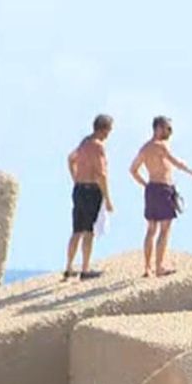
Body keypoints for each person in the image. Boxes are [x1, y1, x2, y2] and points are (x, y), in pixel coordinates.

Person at [129, 115, 192, 277]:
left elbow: (133, 169)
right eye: (167, 128)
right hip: (163, 189)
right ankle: (159, 266)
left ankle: (148, 268)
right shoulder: (161, 146)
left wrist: (145, 184)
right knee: (164, 229)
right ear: (158, 128)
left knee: (151, 229)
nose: (170, 132)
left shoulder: (145, 148)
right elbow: (176, 163)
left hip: (152, 189)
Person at [64, 114, 115, 281]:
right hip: (91, 190)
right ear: (104, 129)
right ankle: (85, 269)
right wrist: (107, 198)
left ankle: (69, 267)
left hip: (79, 188)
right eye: (109, 130)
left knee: (77, 230)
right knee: (89, 231)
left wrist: (76, 177)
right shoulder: (97, 146)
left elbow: (71, 159)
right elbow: (101, 174)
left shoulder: (84, 142)